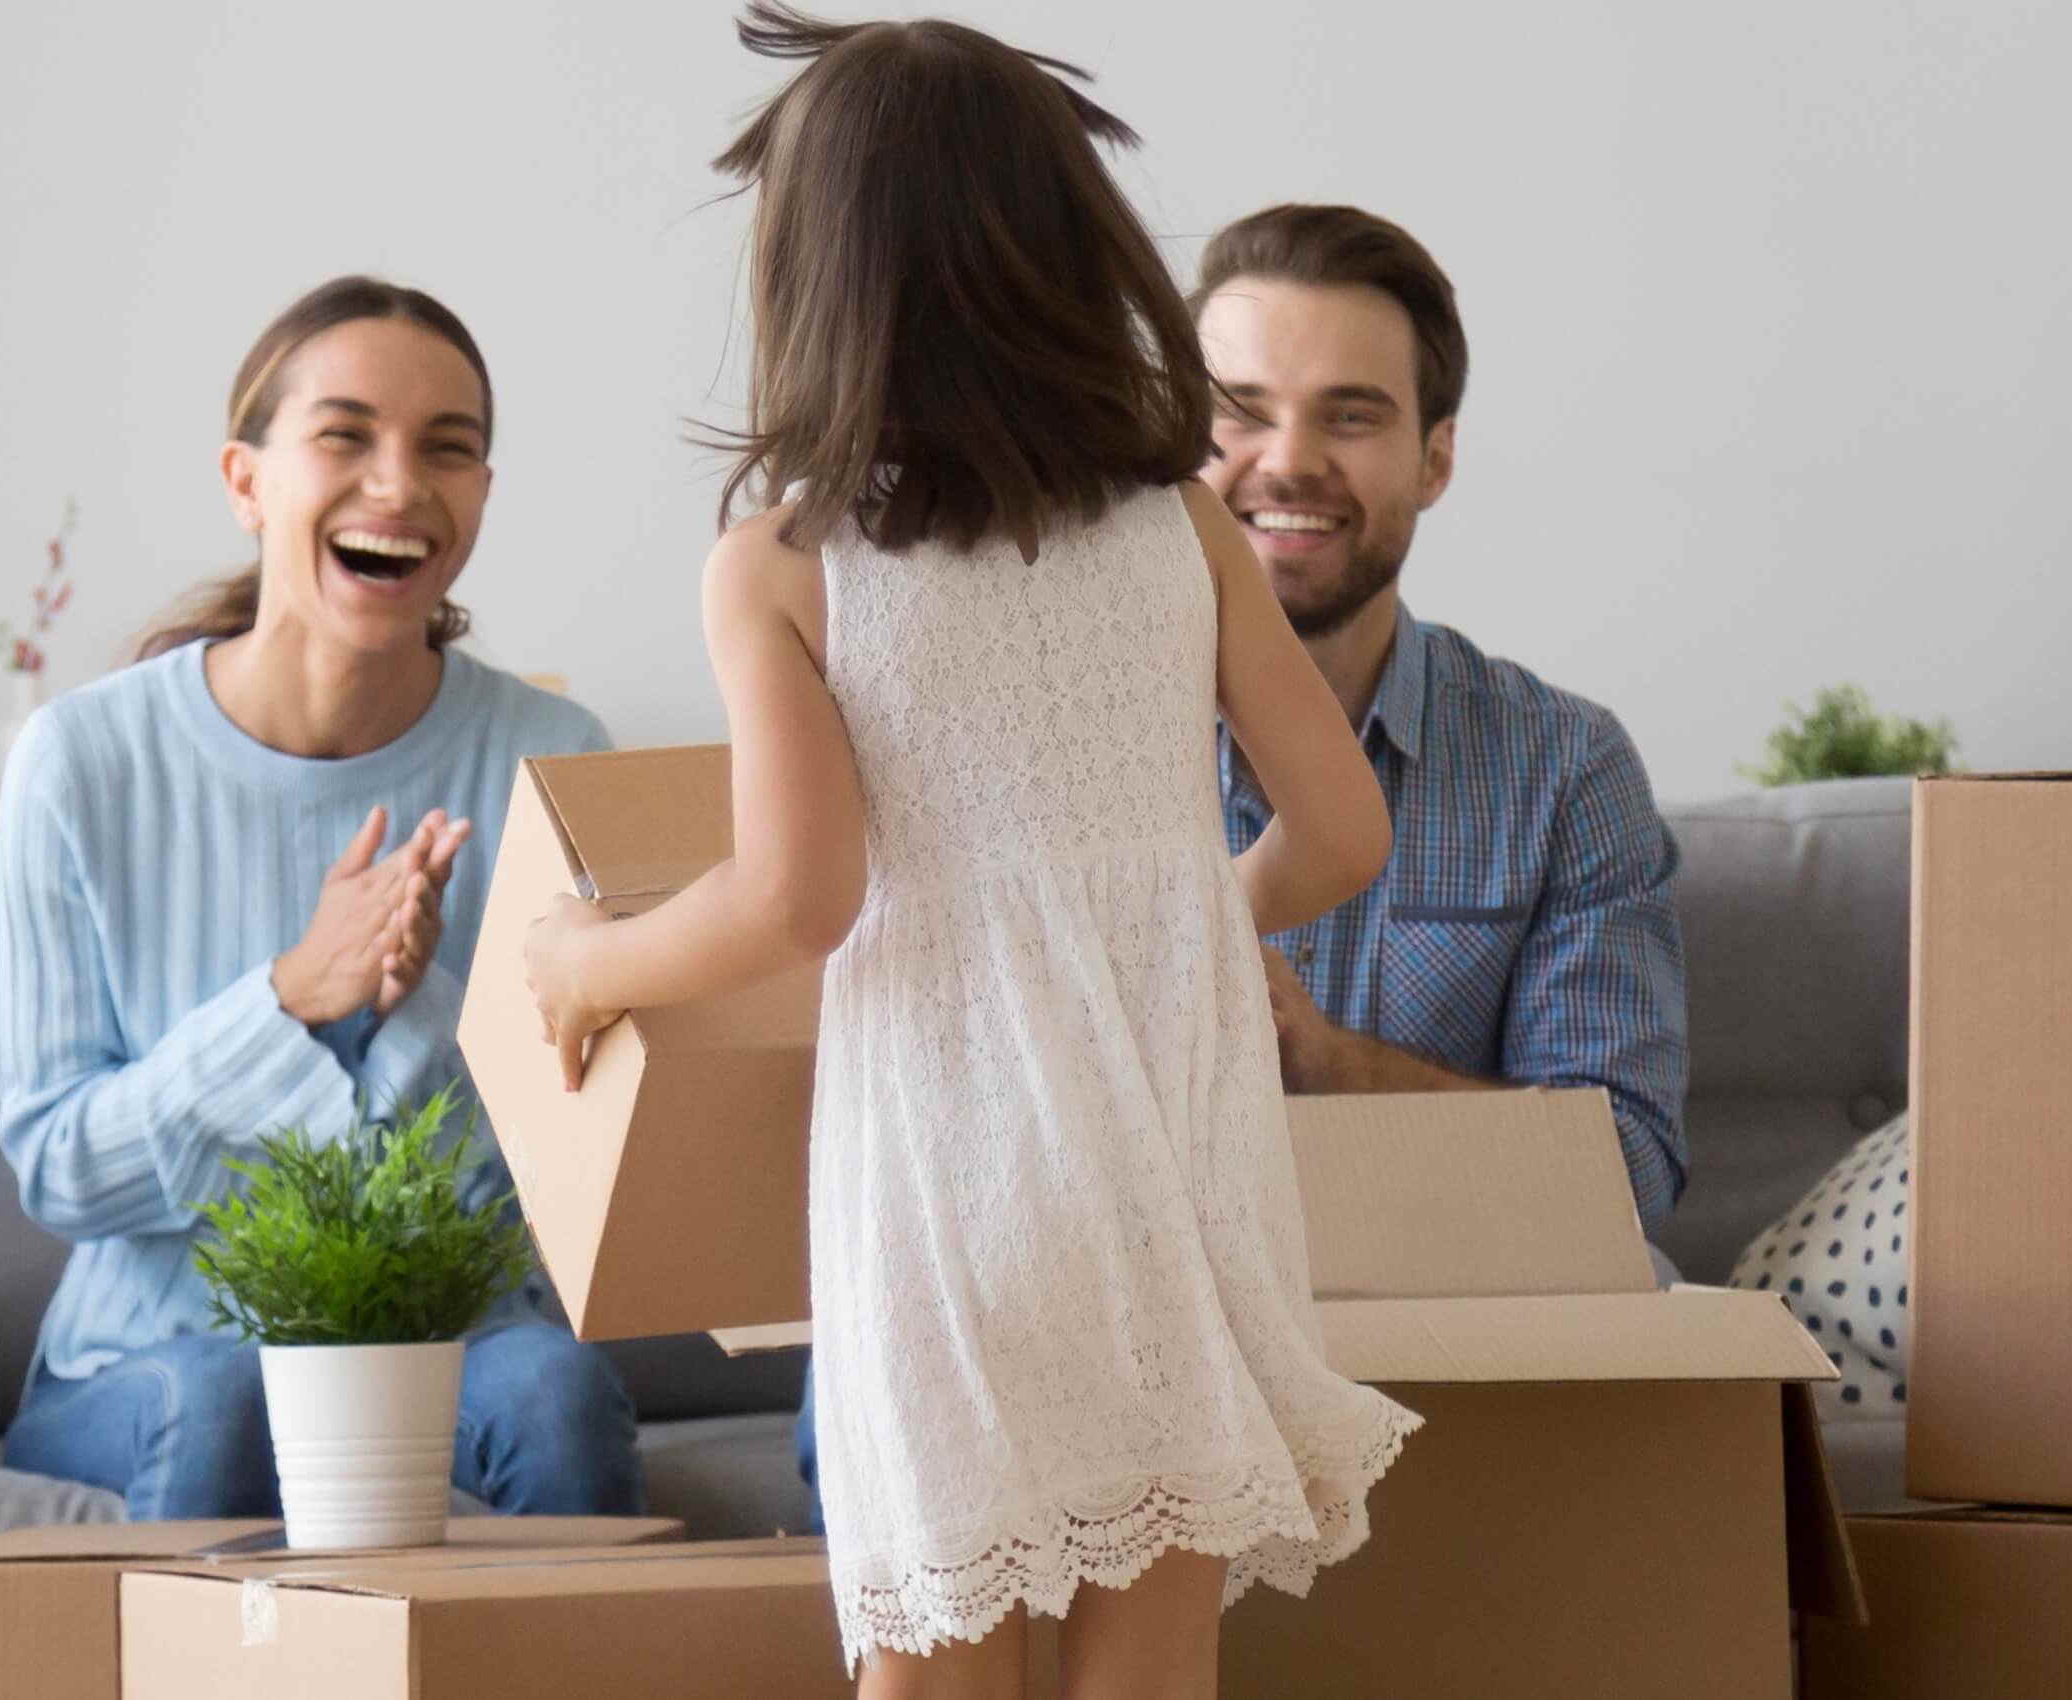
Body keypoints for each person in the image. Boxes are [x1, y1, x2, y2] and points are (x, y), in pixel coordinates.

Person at [520, 11, 1417, 1694]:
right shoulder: (1181, 522)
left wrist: (585, 963)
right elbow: (1343, 831)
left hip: (955, 1180)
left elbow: (797, 896)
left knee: (941, 1657)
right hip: (1181, 1162)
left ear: (816, 275)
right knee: (1154, 1649)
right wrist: (1182, 928)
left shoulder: (791, 562)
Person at [0, 275, 644, 1522]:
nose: (398, 485)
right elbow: (61, 1168)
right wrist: (293, 998)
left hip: (462, 1342)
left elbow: (568, 1178)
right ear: (246, 482)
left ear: (483, 494)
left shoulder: (555, 756)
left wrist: (407, 1007)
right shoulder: (79, 761)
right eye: (345, 436)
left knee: (557, 1396)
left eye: (446, 448)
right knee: (226, 1400)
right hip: (152, 1356)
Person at [1193, 204, 1690, 1234]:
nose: (1289, 461)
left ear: (1435, 459)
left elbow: (1629, 1173)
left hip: (1465, 1313)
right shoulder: (1050, 744)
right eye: (1239, 410)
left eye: (1350, 416)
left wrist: (1326, 1062)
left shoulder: (1564, 766)